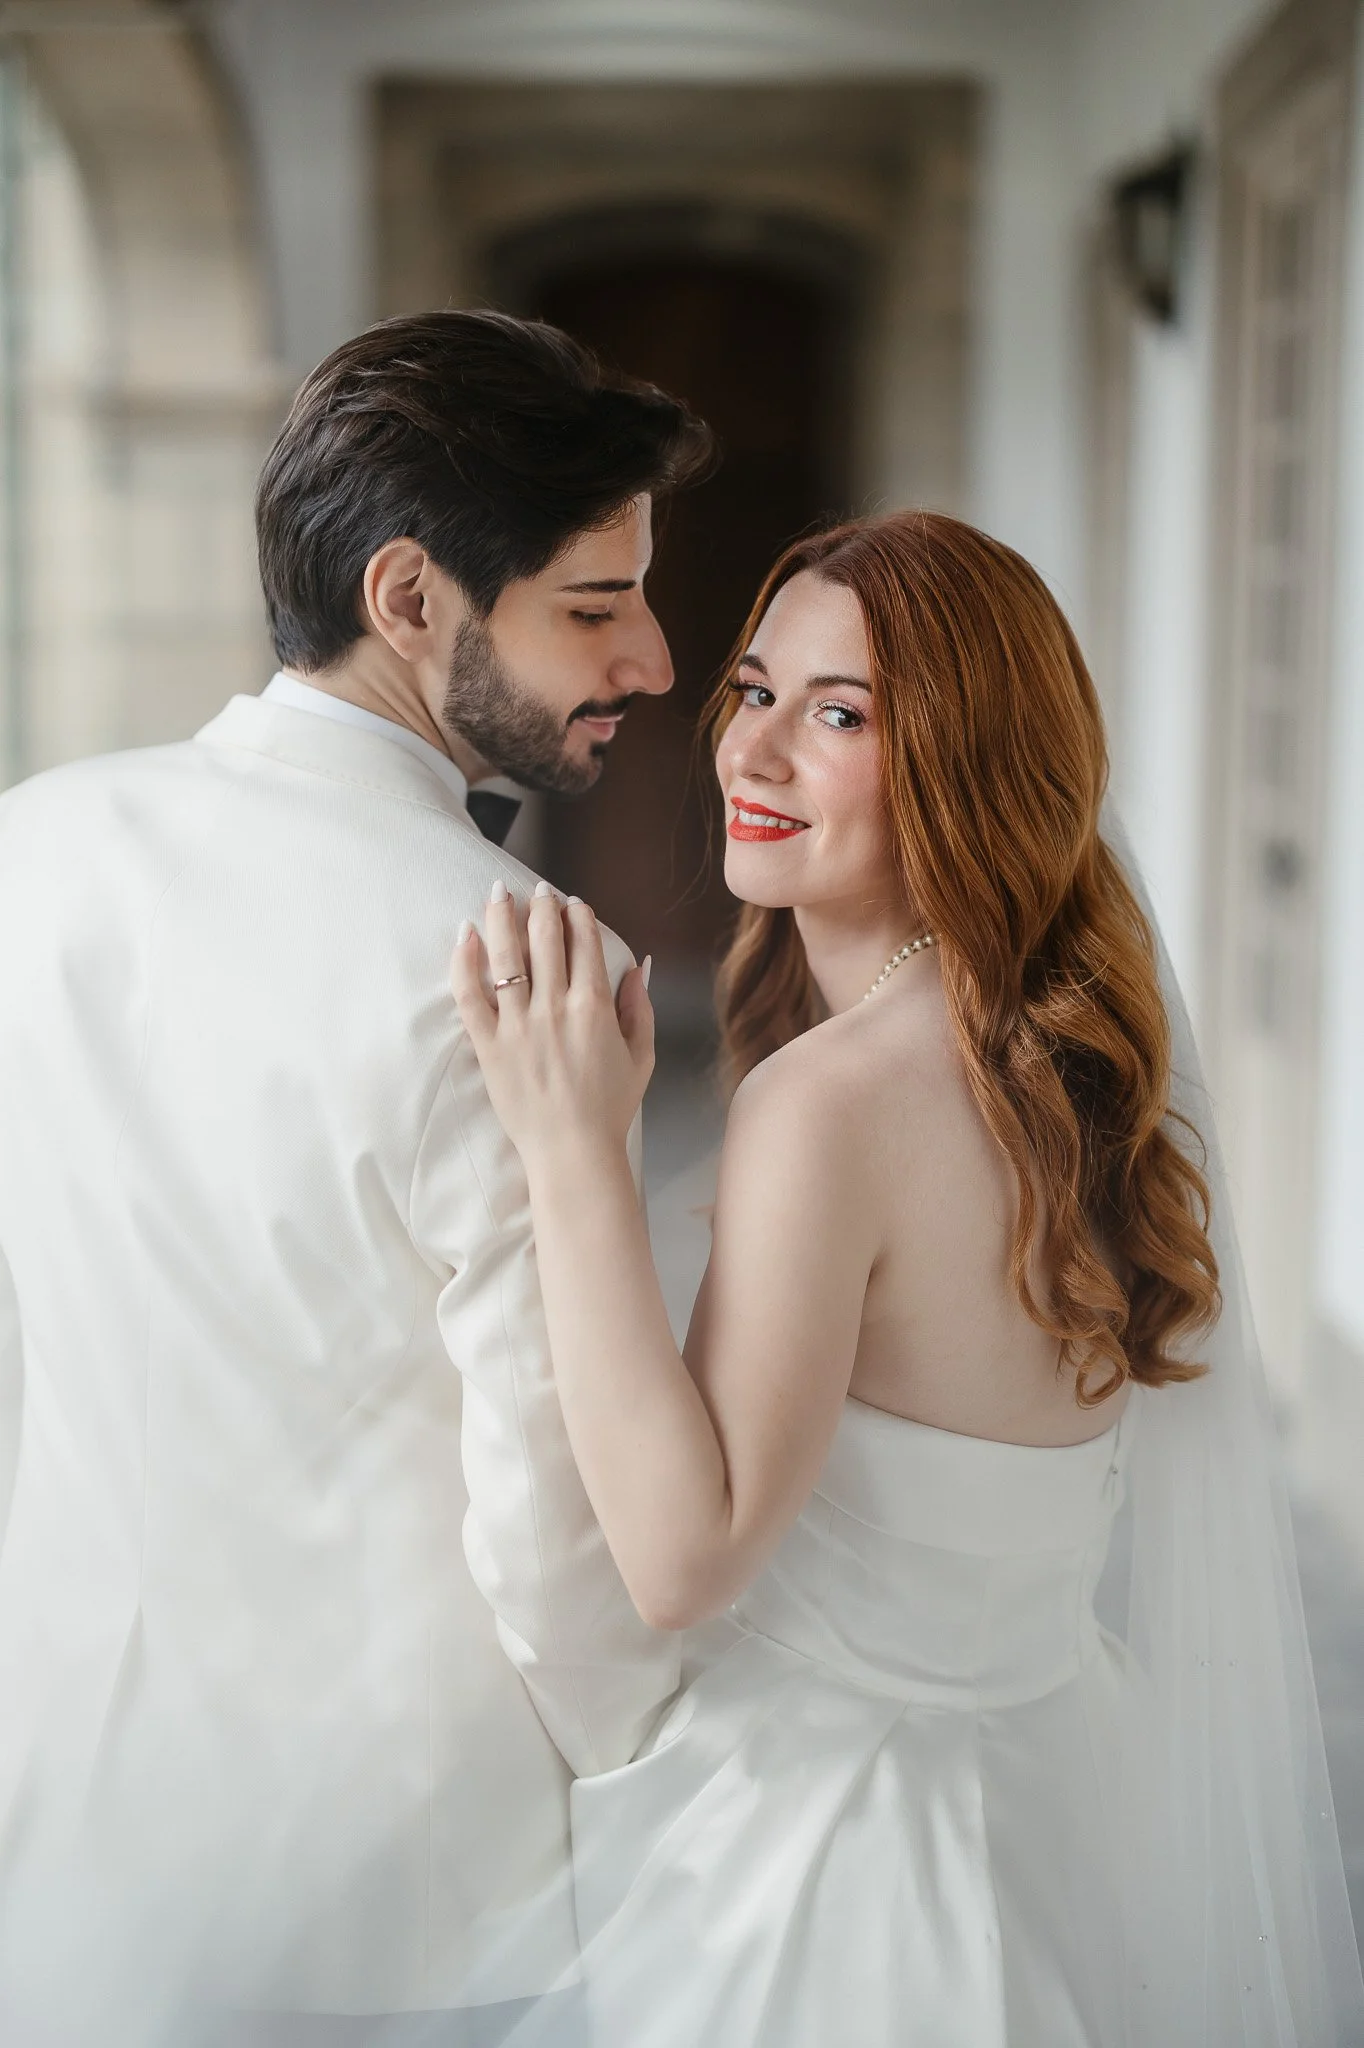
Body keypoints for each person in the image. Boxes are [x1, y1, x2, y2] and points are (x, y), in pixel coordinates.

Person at [453, 510, 1364, 2047]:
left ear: (969, 761)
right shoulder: (1054, 1063)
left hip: (842, 1871)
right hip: (1060, 1795)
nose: (750, 753)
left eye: (840, 715)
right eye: (751, 692)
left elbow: (685, 1558)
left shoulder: (830, 1102)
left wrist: (570, 1152)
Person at [0, 309, 711, 2046]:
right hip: (414, 1898)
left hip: (63, 1828)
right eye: (595, 608)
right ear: (411, 601)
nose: (656, 661)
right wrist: (676, 1783)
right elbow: (560, 1525)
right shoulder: (525, 962)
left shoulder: (32, 847)